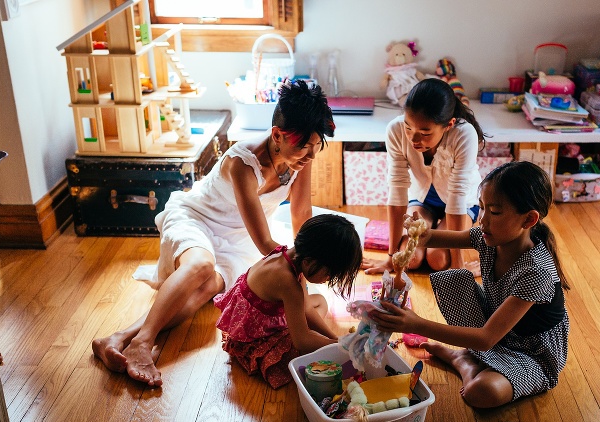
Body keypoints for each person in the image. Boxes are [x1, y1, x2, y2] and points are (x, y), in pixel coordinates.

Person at [91, 80, 335, 387]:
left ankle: (118, 337)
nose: (310, 157)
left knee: (208, 286)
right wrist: (294, 270)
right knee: (201, 266)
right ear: (277, 135)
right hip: (197, 218)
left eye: (316, 148)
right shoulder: (242, 162)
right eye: (304, 148)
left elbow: (301, 215)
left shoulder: (300, 158)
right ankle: (143, 343)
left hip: (237, 237)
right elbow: (263, 243)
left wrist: (308, 256)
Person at [369, 161, 570, 409]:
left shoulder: (536, 272)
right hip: (498, 330)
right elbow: (430, 237)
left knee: (481, 392)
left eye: (494, 212)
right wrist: (418, 230)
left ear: (528, 219)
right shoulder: (489, 237)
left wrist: (416, 323)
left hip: (531, 354)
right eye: (482, 208)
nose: (482, 221)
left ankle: (464, 361)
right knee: (452, 278)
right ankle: (471, 356)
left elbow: (486, 338)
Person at [215, 214, 362, 388]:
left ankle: (319, 338)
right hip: (252, 337)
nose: (328, 279)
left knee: (320, 301)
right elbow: (301, 341)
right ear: (310, 262)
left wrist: (337, 340)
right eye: (329, 273)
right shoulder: (287, 281)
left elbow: (307, 308)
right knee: (299, 351)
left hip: (266, 316)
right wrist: (343, 347)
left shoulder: (292, 256)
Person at [362, 77, 485, 276]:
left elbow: (457, 197)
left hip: (462, 202)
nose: (413, 138)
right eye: (409, 127)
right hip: (421, 198)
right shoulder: (395, 129)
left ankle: (445, 250)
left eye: (425, 133)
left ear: (448, 125)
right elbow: (397, 188)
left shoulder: (464, 134)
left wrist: (458, 264)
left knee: (437, 259)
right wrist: (391, 257)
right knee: (411, 259)